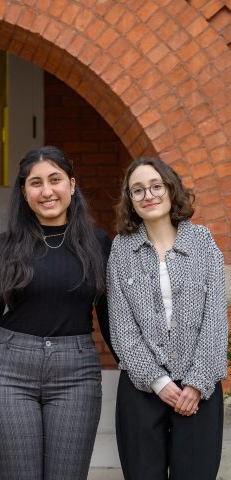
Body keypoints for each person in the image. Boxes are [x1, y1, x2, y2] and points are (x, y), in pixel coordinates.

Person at [0, 146, 113, 480]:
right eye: (35, 183)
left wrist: (146, 376)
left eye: (55, 180)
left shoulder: (98, 243)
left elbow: (109, 318)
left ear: (72, 185)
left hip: (76, 373)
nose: (47, 191)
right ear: (23, 192)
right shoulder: (5, 247)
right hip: (7, 373)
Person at [107, 157, 228, 479]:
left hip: (198, 392)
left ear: (171, 189)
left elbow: (215, 320)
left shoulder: (203, 243)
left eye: (156, 186)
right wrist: (159, 382)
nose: (148, 195)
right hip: (141, 389)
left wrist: (196, 384)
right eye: (138, 190)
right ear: (130, 200)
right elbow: (122, 328)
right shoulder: (121, 250)